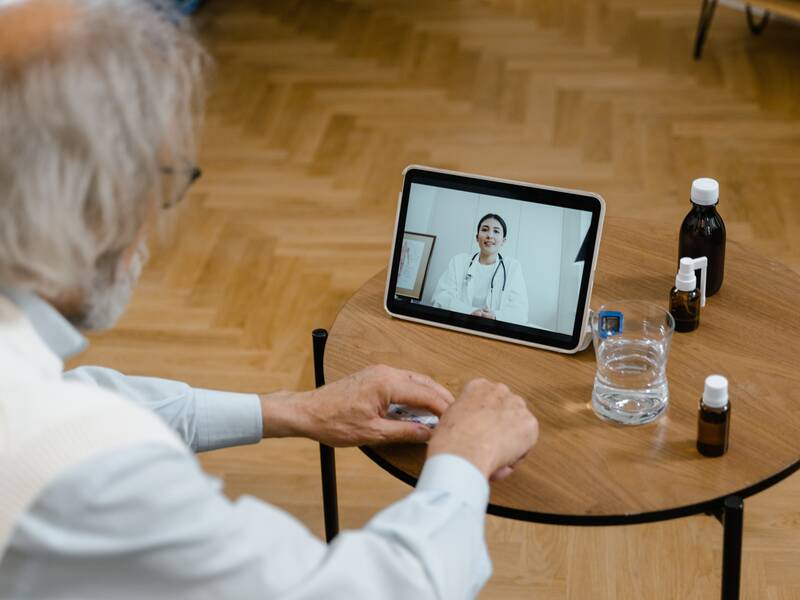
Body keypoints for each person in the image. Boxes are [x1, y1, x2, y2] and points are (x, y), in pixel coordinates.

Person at [0, 1, 539, 599]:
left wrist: (293, 410)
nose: (150, 219)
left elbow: (74, 401)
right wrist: (462, 462)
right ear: (91, 214)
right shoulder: (93, 477)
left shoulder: (37, 405)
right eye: (156, 185)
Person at [432, 213, 530, 325]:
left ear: (503, 241)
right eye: (485, 229)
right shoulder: (459, 261)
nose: (490, 235)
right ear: (477, 237)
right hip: (459, 324)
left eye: (496, 231)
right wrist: (470, 312)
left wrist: (495, 316)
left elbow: (520, 313)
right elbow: (441, 298)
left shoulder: (512, 267)